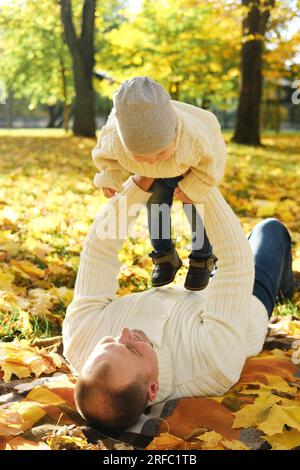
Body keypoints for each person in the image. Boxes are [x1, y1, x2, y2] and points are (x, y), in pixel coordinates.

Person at [62, 175, 294, 431]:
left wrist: (138, 184)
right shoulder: (213, 364)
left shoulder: (80, 340)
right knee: (269, 230)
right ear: (153, 388)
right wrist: (201, 187)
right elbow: (236, 262)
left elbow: (98, 252)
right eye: (132, 349)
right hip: (240, 301)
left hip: (187, 295)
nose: (124, 333)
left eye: (108, 342)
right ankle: (284, 285)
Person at [91, 76, 227, 290]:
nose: (154, 160)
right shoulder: (114, 138)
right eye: (141, 156)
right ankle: (165, 256)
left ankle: (203, 257)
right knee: (157, 207)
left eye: (161, 152)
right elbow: (105, 157)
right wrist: (110, 177)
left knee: (196, 208)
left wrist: (194, 186)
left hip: (189, 169)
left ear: (174, 134)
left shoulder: (195, 138)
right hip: (154, 178)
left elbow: (213, 163)